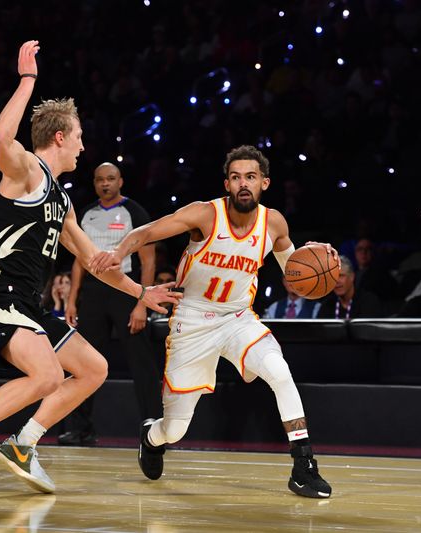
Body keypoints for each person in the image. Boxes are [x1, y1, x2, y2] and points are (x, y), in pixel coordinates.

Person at [0, 40, 180, 496]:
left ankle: (22, 445)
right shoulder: (26, 169)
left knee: (93, 368)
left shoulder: (62, 200)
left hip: (28, 304)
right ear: (61, 137)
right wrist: (27, 80)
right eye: (81, 137)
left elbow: (94, 262)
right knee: (47, 375)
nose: (85, 147)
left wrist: (141, 294)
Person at [91, 145, 334, 499]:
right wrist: (117, 252)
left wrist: (315, 257)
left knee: (280, 372)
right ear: (227, 184)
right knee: (175, 429)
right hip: (192, 320)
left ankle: (303, 465)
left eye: (250, 177)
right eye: (236, 178)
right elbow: (146, 232)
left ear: (264, 182)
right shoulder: (205, 215)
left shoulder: (274, 223)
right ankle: (150, 437)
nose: (243, 184)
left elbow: (295, 275)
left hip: (237, 318)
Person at [60, 162, 161, 446]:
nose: (105, 184)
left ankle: (154, 429)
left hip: (125, 290)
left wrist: (141, 303)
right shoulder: (87, 214)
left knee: (142, 363)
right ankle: (81, 429)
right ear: (94, 183)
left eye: (111, 179)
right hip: (92, 293)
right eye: (100, 179)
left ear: (121, 182)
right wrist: (72, 299)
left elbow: (148, 261)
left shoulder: (134, 212)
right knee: (83, 362)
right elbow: (80, 259)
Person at [316, 256, 384, 319]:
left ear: (352, 277)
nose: (337, 281)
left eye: (341, 276)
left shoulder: (369, 302)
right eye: (333, 277)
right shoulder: (327, 305)